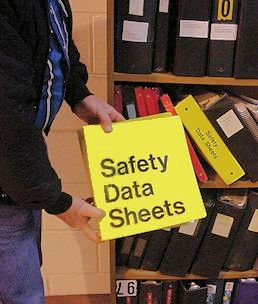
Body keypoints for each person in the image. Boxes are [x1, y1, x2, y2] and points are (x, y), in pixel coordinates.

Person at [0, 0, 124, 303]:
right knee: (22, 293)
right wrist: (58, 202)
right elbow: (7, 114)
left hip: (19, 164)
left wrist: (80, 95)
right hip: (8, 167)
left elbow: (56, 49)